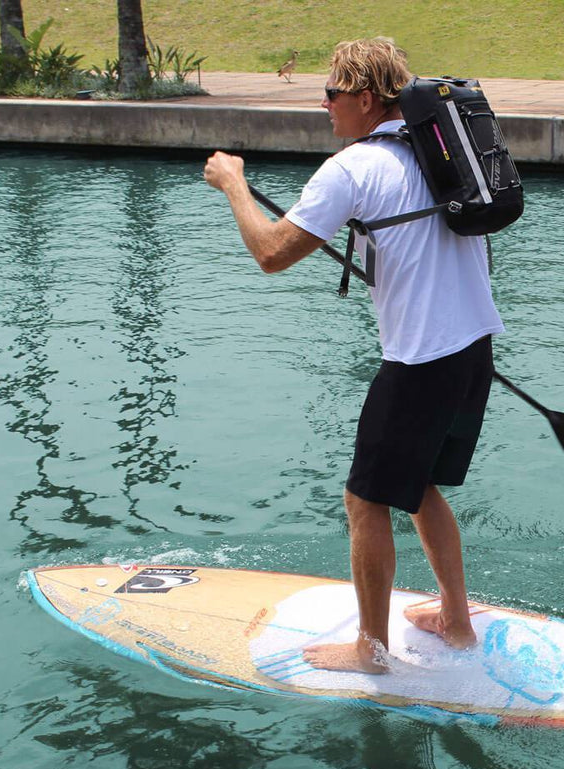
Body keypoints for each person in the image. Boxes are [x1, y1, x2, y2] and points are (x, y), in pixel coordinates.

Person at [203, 37, 504, 674]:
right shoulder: (438, 154)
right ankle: (454, 620)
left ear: (365, 98)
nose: (325, 104)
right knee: (417, 485)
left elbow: (271, 253)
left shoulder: (353, 168)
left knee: (365, 500)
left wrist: (234, 185)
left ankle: (370, 650)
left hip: (421, 361)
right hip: (475, 348)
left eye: (332, 93)